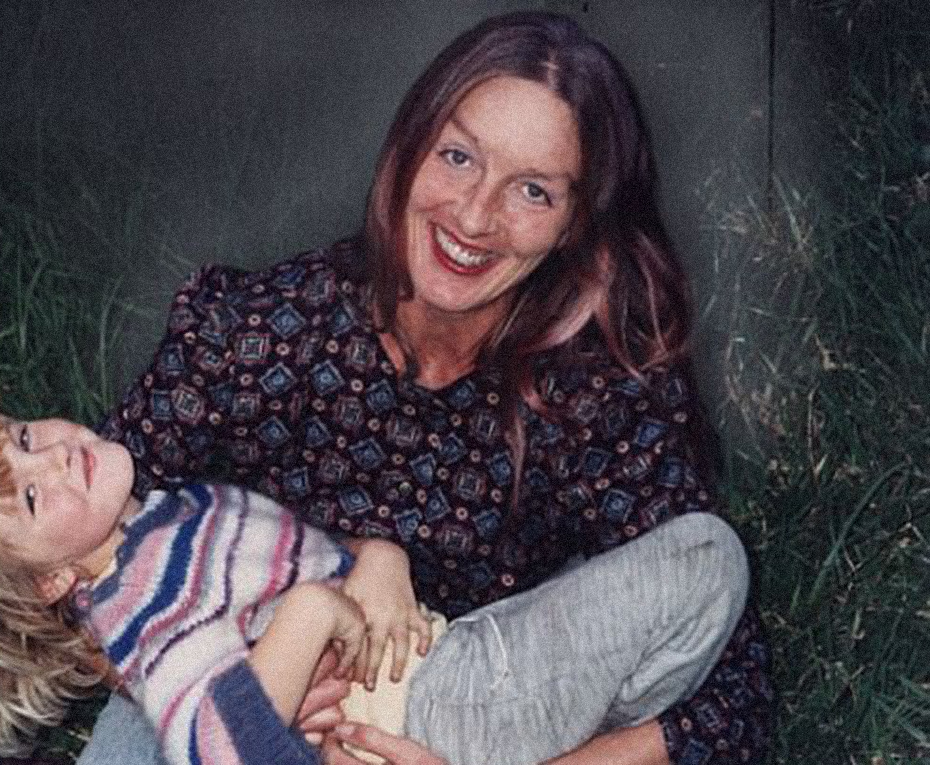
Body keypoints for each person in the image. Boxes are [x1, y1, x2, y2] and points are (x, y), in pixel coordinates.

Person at [86, 10, 774, 765]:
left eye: (533, 192)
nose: (475, 216)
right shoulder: (262, 334)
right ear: (409, 145)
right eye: (457, 156)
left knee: (706, 559)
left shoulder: (599, 395)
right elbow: (63, 559)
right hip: (237, 665)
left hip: (476, 700)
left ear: (575, 225)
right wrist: (265, 677)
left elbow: (733, 692)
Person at [0, 413, 440, 765]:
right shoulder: (140, 600)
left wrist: (377, 558)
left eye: (23, 437)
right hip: (418, 706)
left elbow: (287, 569)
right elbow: (218, 750)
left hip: (415, 667)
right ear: (50, 580)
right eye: (30, 498)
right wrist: (312, 612)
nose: (52, 456)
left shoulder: (166, 526)